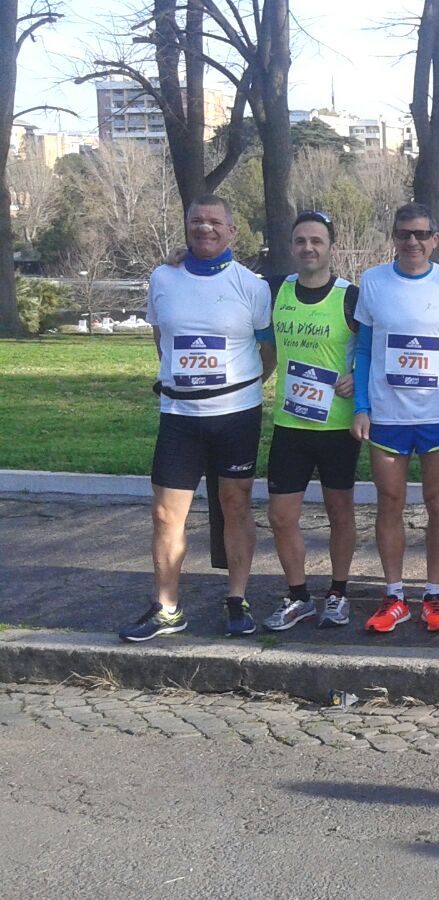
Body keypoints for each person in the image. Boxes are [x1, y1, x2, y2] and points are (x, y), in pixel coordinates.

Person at [120, 195, 274, 642]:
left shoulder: (253, 285)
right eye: (196, 221)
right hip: (179, 415)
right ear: (186, 226)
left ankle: (237, 598)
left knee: (235, 505)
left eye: (214, 222)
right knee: (166, 514)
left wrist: (238, 389)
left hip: (236, 415)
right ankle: (166, 607)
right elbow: (161, 337)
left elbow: (268, 352)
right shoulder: (162, 277)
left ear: (232, 232)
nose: (204, 228)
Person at [351, 203, 439, 633]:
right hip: (387, 416)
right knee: (390, 502)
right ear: (394, 238)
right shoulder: (374, 281)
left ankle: (434, 593)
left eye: (420, 234)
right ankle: (394, 594)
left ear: (435, 238)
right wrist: (361, 407)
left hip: (436, 415)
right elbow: (362, 350)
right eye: (404, 234)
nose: (412, 242)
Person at [260, 211, 361, 632]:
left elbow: (372, 349)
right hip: (291, 425)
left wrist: (359, 378)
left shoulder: (349, 296)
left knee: (340, 513)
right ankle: (298, 595)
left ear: (330, 247)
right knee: (281, 516)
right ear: (291, 247)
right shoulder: (276, 291)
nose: (308, 248)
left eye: (316, 241)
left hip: (338, 427)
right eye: (300, 241)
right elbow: (265, 350)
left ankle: (338, 593)